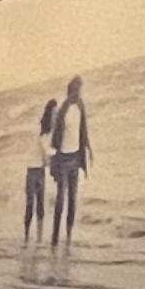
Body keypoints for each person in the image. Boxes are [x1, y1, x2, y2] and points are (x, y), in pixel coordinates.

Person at [48, 75, 92, 248]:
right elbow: (55, 139)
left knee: (72, 199)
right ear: (71, 90)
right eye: (77, 90)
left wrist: (89, 149)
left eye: (80, 90)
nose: (79, 93)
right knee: (61, 199)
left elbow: (84, 130)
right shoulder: (62, 110)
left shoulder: (81, 105)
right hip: (63, 160)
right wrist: (53, 163)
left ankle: (68, 237)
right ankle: (55, 237)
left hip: (75, 159)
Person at [24, 100, 57, 246]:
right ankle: (28, 236)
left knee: (39, 205)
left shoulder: (49, 130)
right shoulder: (43, 130)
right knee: (31, 204)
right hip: (33, 169)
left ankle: (38, 238)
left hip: (39, 170)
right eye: (54, 113)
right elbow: (45, 153)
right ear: (50, 113)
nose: (56, 116)